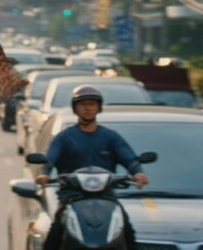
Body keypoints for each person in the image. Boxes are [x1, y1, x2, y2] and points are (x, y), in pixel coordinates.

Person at [35, 85, 149, 250]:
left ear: (98, 108)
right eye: (83, 104)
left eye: (92, 104)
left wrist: (138, 173)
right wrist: (43, 174)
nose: (88, 108)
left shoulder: (110, 137)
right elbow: (49, 159)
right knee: (56, 231)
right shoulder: (64, 137)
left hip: (105, 196)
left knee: (127, 230)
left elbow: (129, 158)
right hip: (72, 197)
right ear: (75, 108)